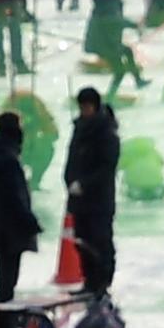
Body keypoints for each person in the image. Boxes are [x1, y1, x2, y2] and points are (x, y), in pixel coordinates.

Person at [0, 113, 43, 304]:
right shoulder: (8, 160)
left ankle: (0, 319)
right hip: (12, 227)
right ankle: (2, 322)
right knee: (8, 280)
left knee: (4, 277)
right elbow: (14, 196)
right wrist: (31, 222)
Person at [63, 90, 119, 298]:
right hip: (79, 198)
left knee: (100, 240)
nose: (84, 111)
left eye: (87, 107)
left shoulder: (106, 132)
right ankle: (89, 281)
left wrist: (84, 184)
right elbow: (71, 159)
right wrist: (69, 181)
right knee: (82, 240)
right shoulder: (79, 129)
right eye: (81, 107)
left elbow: (107, 167)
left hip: (99, 199)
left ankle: (102, 283)